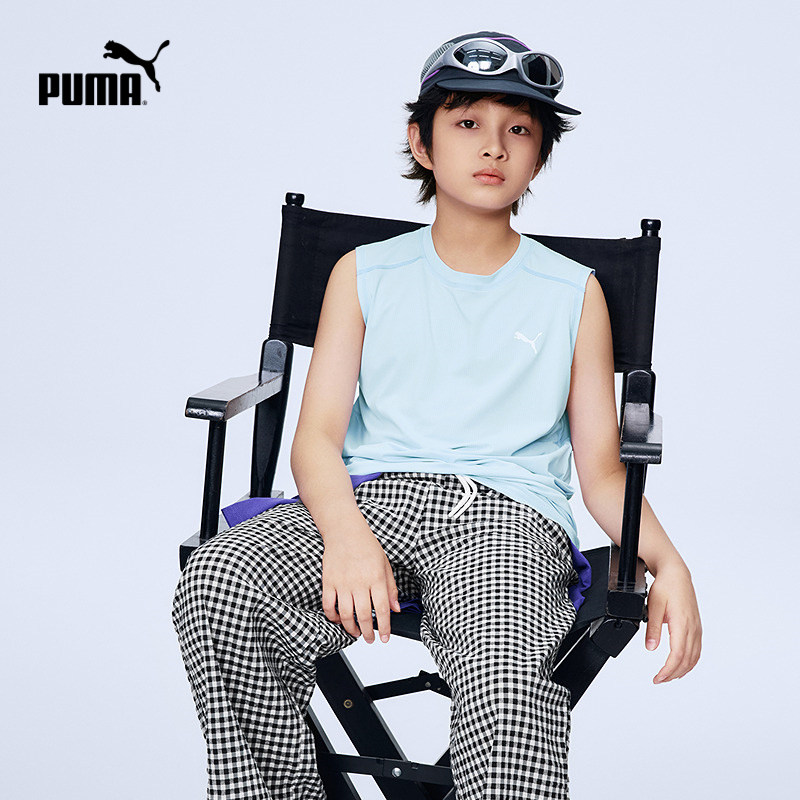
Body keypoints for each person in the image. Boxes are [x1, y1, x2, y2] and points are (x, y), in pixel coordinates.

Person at [172, 30, 703, 800]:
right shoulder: (363, 271)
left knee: (507, 677)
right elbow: (315, 438)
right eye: (467, 123)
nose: (493, 146)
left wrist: (671, 562)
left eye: (518, 130)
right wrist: (346, 537)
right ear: (421, 143)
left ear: (539, 156)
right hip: (368, 498)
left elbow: (600, 469)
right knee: (219, 584)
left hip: (506, 519)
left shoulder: (574, 291)